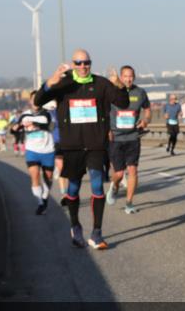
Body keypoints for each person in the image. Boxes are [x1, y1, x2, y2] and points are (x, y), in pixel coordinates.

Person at [34, 49, 129, 250]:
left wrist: (119, 84)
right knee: (73, 188)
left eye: (87, 62)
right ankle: (75, 225)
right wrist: (50, 82)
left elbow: (123, 103)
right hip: (72, 146)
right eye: (78, 63)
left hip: (95, 145)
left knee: (96, 185)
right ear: (73, 63)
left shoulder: (101, 83)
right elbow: (38, 101)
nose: (83, 66)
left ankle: (96, 233)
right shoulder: (64, 83)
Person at [106, 66, 151, 214]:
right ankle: (114, 186)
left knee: (133, 170)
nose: (128, 79)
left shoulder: (140, 92)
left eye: (130, 76)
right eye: (125, 76)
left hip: (133, 137)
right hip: (116, 137)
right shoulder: (111, 91)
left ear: (134, 77)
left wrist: (145, 120)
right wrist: (107, 130)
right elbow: (102, 112)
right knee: (119, 173)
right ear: (121, 76)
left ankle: (129, 203)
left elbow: (147, 110)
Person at [18, 91, 56, 215]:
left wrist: (32, 122)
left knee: (49, 177)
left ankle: (45, 197)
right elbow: (21, 121)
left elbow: (45, 121)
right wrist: (18, 125)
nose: (36, 102)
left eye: (38, 99)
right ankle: (40, 203)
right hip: (32, 150)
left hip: (48, 150)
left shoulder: (47, 113)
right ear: (30, 101)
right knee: (35, 176)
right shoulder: (25, 114)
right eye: (33, 99)